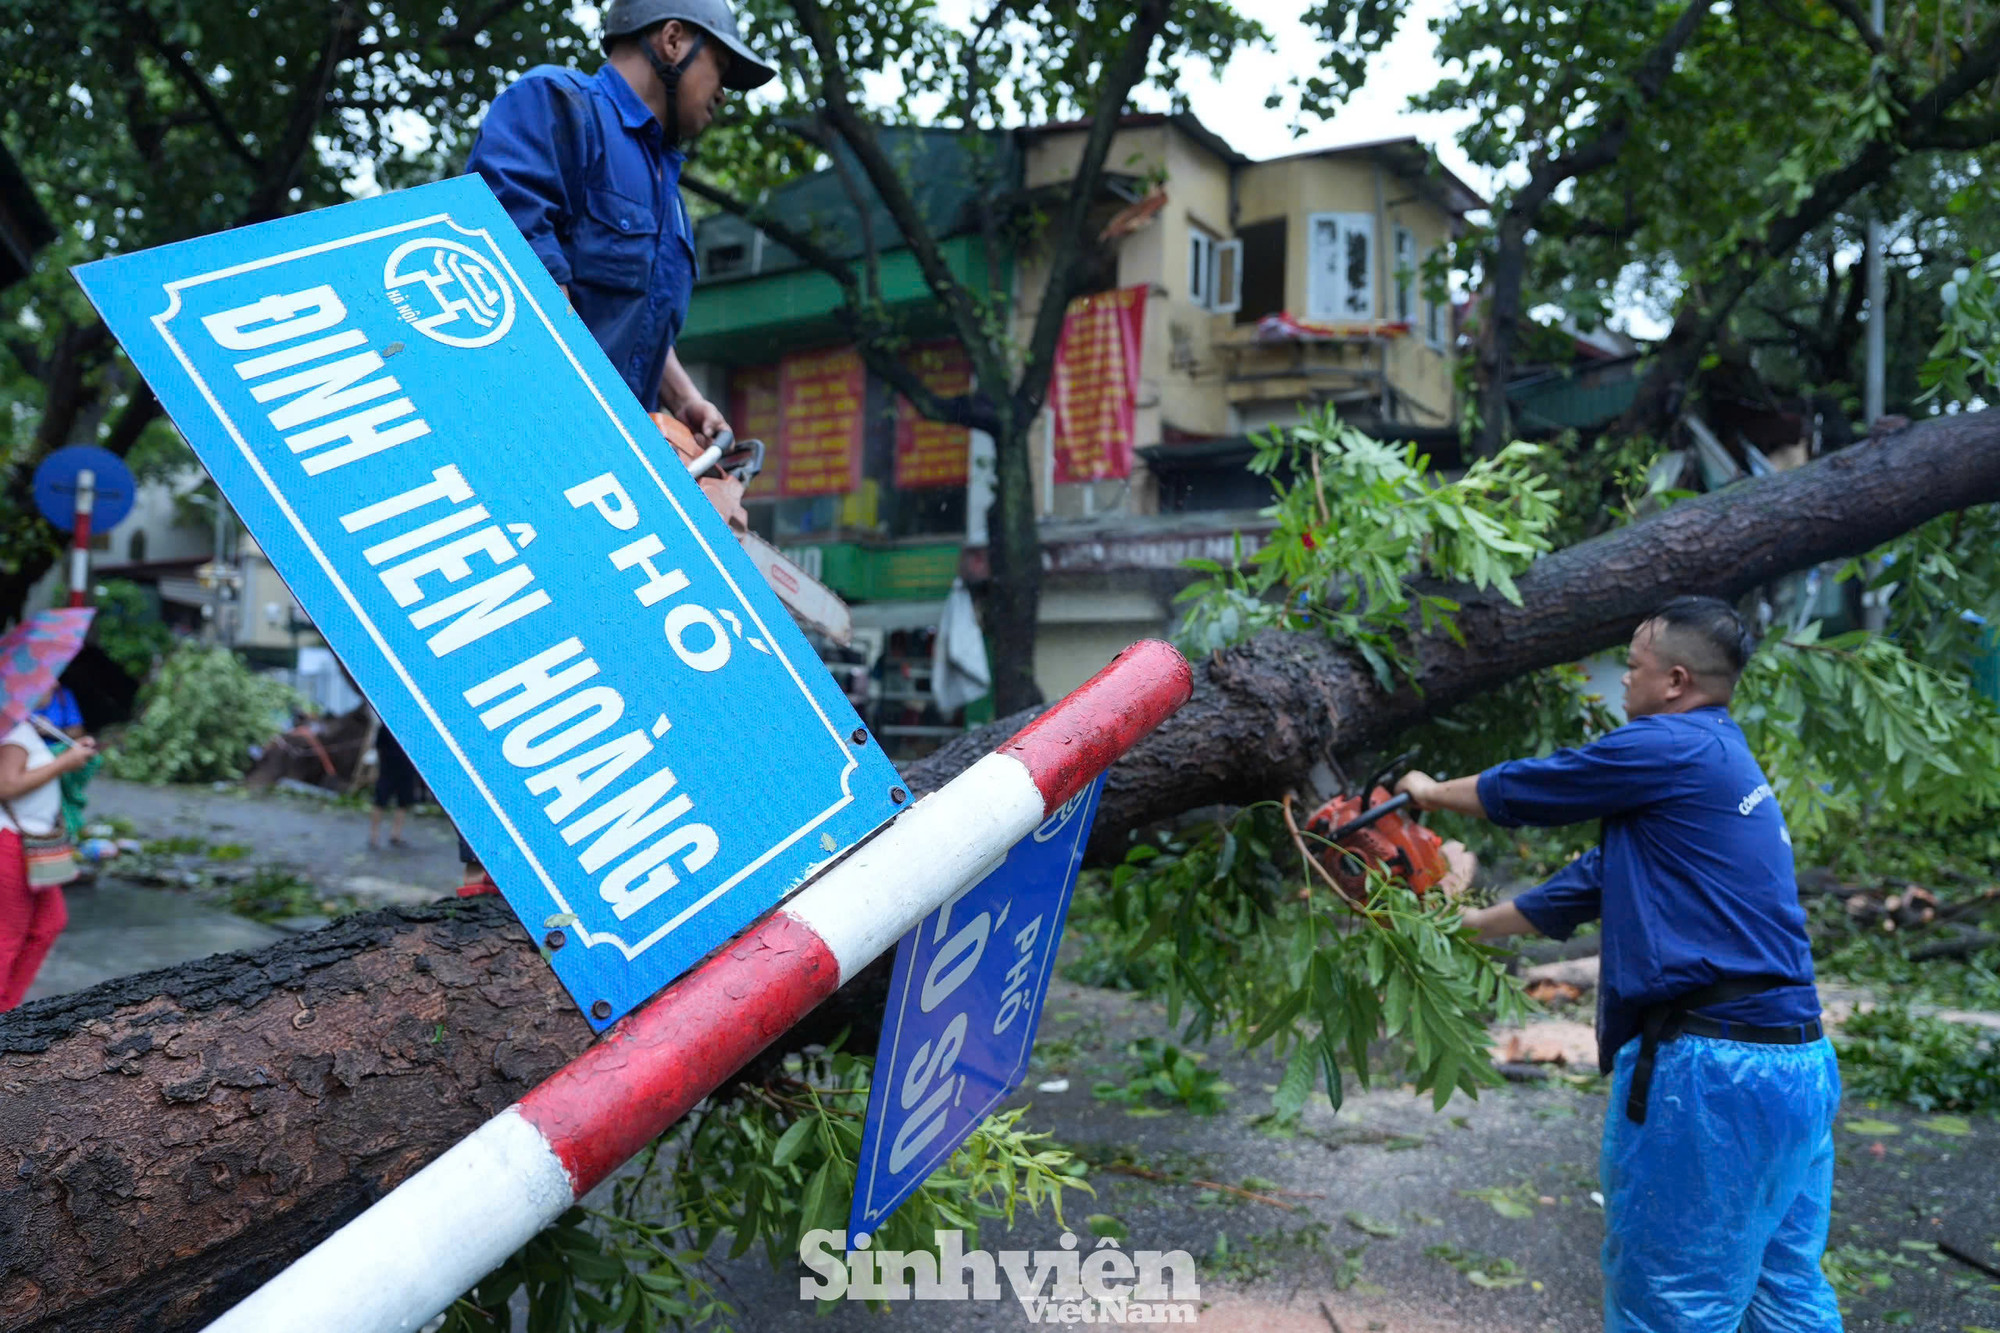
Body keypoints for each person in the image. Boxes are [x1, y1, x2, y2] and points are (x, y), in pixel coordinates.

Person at [1396, 596, 1841, 1332]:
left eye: (1631, 670)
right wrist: (1471, 927)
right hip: (1797, 1066)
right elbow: (1591, 882)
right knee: (1780, 1291)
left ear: (1673, 680)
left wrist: (1427, 793)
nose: (1623, 684)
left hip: (1712, 1073)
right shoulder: (1714, 764)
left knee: (1672, 1304)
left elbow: (1541, 785)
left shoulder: (1670, 745)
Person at [465, 0, 775, 436]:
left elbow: (629, 313)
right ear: (672, 41)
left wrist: (684, 399)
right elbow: (513, 258)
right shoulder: (557, 102)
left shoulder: (671, 200)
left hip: (602, 459)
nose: (723, 91)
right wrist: (584, 420)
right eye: (719, 66)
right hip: (520, 434)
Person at [0, 712, 98, 1011]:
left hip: (35, 846)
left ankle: (7, 1010)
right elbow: (5, 786)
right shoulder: (13, 733)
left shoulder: (26, 723)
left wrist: (67, 751)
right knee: (7, 936)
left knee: (49, 923)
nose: (53, 686)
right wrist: (63, 763)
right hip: (10, 841)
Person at [369, 723, 420, 849]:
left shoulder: (413, 727)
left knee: (403, 802)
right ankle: (374, 835)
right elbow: (378, 746)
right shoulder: (385, 725)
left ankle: (395, 834)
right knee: (380, 801)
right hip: (388, 768)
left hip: (406, 769)